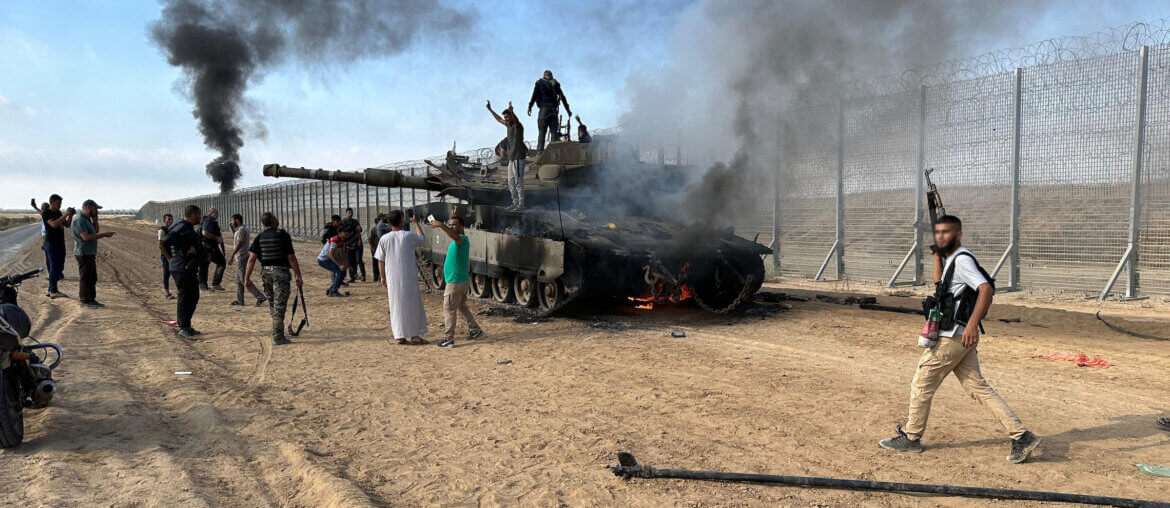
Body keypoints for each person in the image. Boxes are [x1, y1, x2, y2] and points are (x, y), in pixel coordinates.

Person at [879, 215, 1041, 464]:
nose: (941, 237)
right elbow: (939, 288)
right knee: (978, 388)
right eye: (938, 232)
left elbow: (986, 289)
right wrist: (936, 256)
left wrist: (973, 325)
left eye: (946, 232)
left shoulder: (962, 260)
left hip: (954, 336)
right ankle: (1022, 436)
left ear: (958, 234)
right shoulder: (953, 260)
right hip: (959, 336)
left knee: (921, 384)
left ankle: (911, 438)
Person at [244, 212, 303, 346]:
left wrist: (247, 279)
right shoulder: (282, 235)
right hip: (280, 273)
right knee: (279, 305)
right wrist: (298, 276)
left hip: (266, 274)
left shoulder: (259, 237)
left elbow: (251, 260)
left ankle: (277, 331)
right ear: (273, 221)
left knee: (272, 303)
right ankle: (278, 337)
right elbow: (291, 258)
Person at [374, 210, 429, 345]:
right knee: (412, 305)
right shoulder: (408, 236)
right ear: (400, 221)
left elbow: (380, 260)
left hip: (392, 278)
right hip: (409, 277)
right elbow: (422, 239)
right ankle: (415, 335)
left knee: (396, 306)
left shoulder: (384, 239)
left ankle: (399, 335)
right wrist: (416, 224)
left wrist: (383, 277)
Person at [430, 215, 484, 348]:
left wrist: (441, 225)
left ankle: (448, 338)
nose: (451, 226)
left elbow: (454, 236)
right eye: (450, 224)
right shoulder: (458, 240)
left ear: (461, 227)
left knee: (449, 309)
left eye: (454, 225)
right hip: (460, 280)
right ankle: (475, 329)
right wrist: (454, 213)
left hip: (455, 282)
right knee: (461, 306)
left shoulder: (462, 239)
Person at [166, 205, 205, 339]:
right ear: (193, 214)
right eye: (199, 214)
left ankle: (186, 325)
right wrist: (187, 247)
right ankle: (183, 327)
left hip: (187, 267)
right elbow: (169, 238)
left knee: (193, 296)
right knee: (185, 297)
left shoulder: (186, 226)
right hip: (181, 267)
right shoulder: (182, 225)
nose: (200, 217)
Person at [70, 199, 114, 308]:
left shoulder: (87, 219)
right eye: (96, 209)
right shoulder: (80, 220)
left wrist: (95, 220)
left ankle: (91, 299)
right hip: (83, 252)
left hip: (89, 252)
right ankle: (85, 300)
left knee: (92, 277)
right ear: (89, 208)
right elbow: (85, 237)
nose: (97, 211)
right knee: (86, 277)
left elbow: (95, 231)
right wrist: (104, 235)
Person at [487, 100, 527, 211]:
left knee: (518, 181)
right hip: (512, 159)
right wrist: (490, 110)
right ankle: (515, 202)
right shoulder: (508, 126)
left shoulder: (518, 126)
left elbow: (516, 119)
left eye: (508, 117)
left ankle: (521, 204)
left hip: (518, 158)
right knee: (510, 182)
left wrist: (511, 111)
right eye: (505, 118)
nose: (506, 120)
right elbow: (499, 119)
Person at [228, 214, 266, 307]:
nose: (231, 222)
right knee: (239, 281)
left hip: (241, 257)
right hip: (242, 257)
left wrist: (232, 255)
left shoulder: (241, 230)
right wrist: (233, 230)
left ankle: (260, 296)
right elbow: (238, 240)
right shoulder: (243, 229)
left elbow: (240, 243)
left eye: (232, 220)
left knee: (244, 280)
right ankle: (240, 300)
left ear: (237, 220)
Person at [527, 69, 571, 151]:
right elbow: (563, 97)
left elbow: (534, 95)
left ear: (544, 75)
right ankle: (554, 154)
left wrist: (530, 106)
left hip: (544, 110)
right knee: (554, 133)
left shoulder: (539, 83)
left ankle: (540, 152)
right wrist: (568, 110)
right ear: (551, 76)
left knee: (542, 132)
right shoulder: (555, 83)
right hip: (553, 111)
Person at [41, 194, 74, 299]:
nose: (59, 205)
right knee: (54, 266)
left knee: (59, 267)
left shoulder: (59, 212)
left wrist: (71, 215)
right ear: (51, 202)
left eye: (60, 203)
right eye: (58, 203)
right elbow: (54, 224)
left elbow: (67, 225)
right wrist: (65, 214)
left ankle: (50, 289)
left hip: (60, 243)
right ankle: (53, 291)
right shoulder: (46, 213)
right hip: (51, 243)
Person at [199, 208, 227, 291]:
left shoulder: (207, 220)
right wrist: (216, 238)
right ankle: (210, 284)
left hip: (208, 246)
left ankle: (209, 285)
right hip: (209, 247)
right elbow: (205, 232)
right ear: (211, 213)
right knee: (220, 262)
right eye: (216, 213)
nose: (218, 215)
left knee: (206, 265)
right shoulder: (209, 220)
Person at [317, 227, 350, 297]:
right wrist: (339, 265)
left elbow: (342, 254)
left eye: (347, 232)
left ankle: (331, 289)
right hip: (324, 260)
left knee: (343, 272)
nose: (347, 234)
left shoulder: (342, 240)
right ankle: (333, 291)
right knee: (340, 271)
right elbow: (330, 254)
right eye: (345, 232)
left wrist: (348, 265)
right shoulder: (335, 240)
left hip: (329, 259)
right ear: (340, 233)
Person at [341, 207, 365, 283]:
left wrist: (359, 240)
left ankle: (363, 275)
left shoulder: (355, 221)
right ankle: (352, 277)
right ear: (346, 213)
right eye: (349, 212)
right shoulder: (343, 222)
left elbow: (359, 230)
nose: (350, 214)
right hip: (348, 244)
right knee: (350, 262)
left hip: (357, 244)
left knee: (359, 260)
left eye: (351, 212)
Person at [368, 214, 390, 283]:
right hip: (376, 248)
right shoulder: (374, 229)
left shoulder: (385, 228)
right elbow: (370, 239)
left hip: (380, 249)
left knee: (380, 264)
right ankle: (376, 278)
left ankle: (380, 278)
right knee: (377, 264)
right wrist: (372, 247)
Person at [157, 214, 176, 300]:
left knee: (176, 273)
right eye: (169, 220)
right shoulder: (162, 231)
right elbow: (160, 246)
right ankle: (167, 293)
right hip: (166, 256)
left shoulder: (171, 230)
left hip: (173, 255)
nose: (171, 221)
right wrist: (168, 257)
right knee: (167, 274)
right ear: (164, 220)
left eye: (172, 220)